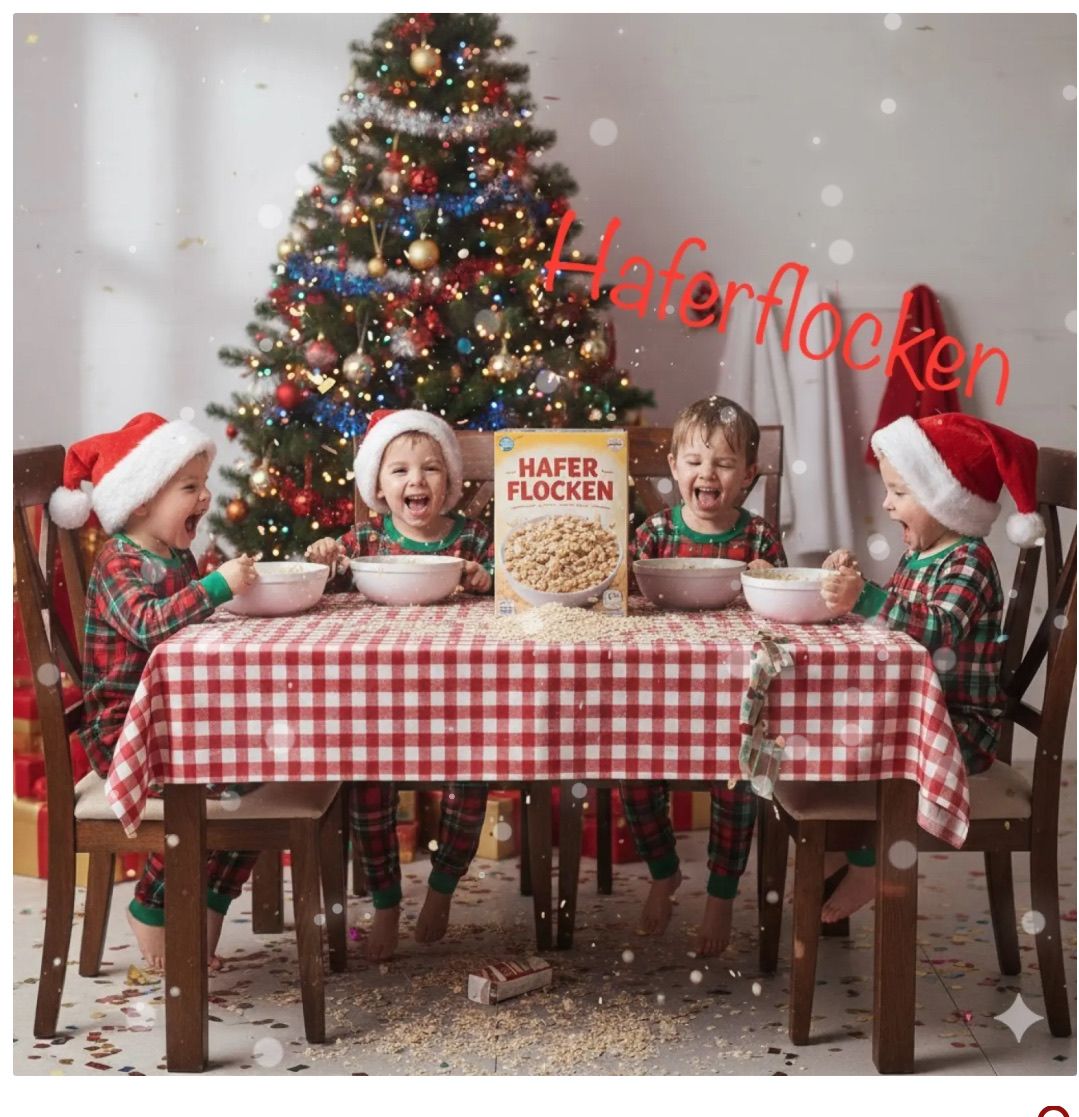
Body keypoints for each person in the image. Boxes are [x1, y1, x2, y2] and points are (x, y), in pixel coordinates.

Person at [49, 412, 259, 970]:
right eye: (189, 487)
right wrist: (217, 586)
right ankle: (149, 905)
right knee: (222, 786)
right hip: (125, 737)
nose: (206, 497)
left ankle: (209, 902)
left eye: (203, 483)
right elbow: (149, 623)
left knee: (265, 772)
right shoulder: (119, 561)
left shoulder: (175, 554)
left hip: (175, 722)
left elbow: (186, 629)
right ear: (141, 499)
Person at [819, 413, 1045, 920]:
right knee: (833, 727)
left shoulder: (970, 561)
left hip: (959, 727)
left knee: (863, 741)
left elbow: (938, 628)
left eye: (899, 492)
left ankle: (867, 863)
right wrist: (857, 586)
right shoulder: (919, 553)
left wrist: (869, 599)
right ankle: (840, 837)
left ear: (944, 500)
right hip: (918, 716)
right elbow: (898, 624)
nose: (885, 503)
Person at [305, 409, 493, 961]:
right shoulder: (364, 539)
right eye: (401, 471)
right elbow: (326, 575)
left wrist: (484, 582)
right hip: (380, 702)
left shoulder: (474, 538)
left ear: (450, 483)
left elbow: (506, 594)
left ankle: (441, 888)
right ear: (378, 487)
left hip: (457, 697)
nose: (417, 481)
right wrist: (323, 555)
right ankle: (386, 901)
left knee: (473, 778)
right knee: (368, 787)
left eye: (432, 469)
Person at [621, 396, 786, 957]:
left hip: (732, 698)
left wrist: (769, 579)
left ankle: (720, 893)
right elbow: (621, 599)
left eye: (722, 463)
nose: (706, 474)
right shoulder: (655, 534)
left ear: (748, 476)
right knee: (631, 771)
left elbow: (780, 611)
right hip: (659, 694)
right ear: (673, 469)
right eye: (693, 461)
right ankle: (665, 872)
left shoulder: (759, 540)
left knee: (738, 774)